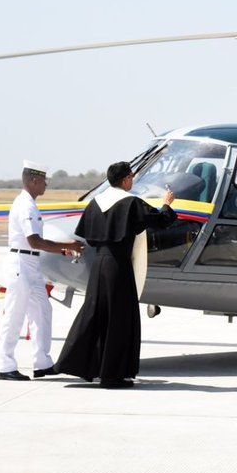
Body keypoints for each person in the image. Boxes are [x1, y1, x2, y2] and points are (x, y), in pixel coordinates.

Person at [55, 161, 177, 389]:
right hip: (118, 266)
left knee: (95, 315)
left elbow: (88, 237)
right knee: (119, 320)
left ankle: (78, 365)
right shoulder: (130, 203)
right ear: (124, 180)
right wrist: (167, 204)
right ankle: (113, 375)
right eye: (131, 176)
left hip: (99, 266)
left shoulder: (95, 203)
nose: (133, 180)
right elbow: (161, 221)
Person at [0, 160, 85, 381]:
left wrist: (61, 251)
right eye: (43, 180)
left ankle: (42, 362)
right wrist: (68, 246)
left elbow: (36, 245)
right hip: (20, 265)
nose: (46, 184)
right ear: (34, 181)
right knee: (15, 315)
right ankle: (5, 366)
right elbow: (35, 241)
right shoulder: (25, 206)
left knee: (43, 312)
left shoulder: (30, 204)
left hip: (31, 266)